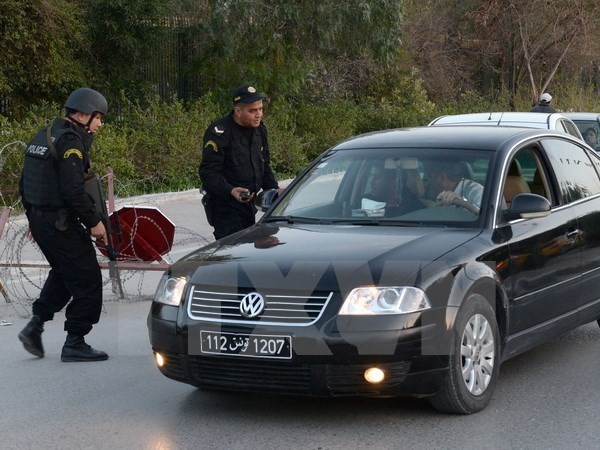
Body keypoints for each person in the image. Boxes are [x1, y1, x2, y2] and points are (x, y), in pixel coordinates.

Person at [18, 87, 109, 362]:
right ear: (83, 115)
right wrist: (95, 223)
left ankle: (35, 324)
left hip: (41, 218)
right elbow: (73, 191)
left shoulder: (44, 135)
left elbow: (26, 182)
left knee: (63, 271)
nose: (100, 124)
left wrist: (33, 219)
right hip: (60, 222)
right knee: (88, 279)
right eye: (98, 118)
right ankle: (75, 342)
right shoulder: (71, 142)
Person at [199, 84, 280, 239]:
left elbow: (265, 166)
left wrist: (275, 191)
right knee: (234, 257)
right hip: (226, 210)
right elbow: (208, 173)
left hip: (250, 207)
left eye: (260, 109)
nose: (258, 115)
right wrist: (230, 190)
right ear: (238, 111)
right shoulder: (219, 133)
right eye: (252, 111)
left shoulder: (260, 130)